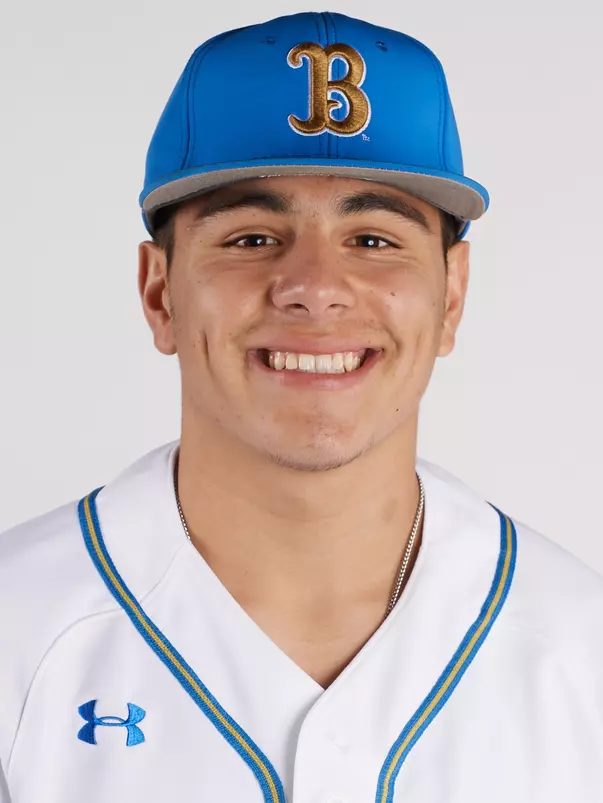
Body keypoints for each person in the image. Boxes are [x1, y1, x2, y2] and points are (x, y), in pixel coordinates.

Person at [1, 10, 602, 803]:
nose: (314, 286)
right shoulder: (16, 633)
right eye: (251, 238)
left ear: (451, 295)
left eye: (374, 240)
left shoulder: (580, 649)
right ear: (158, 294)